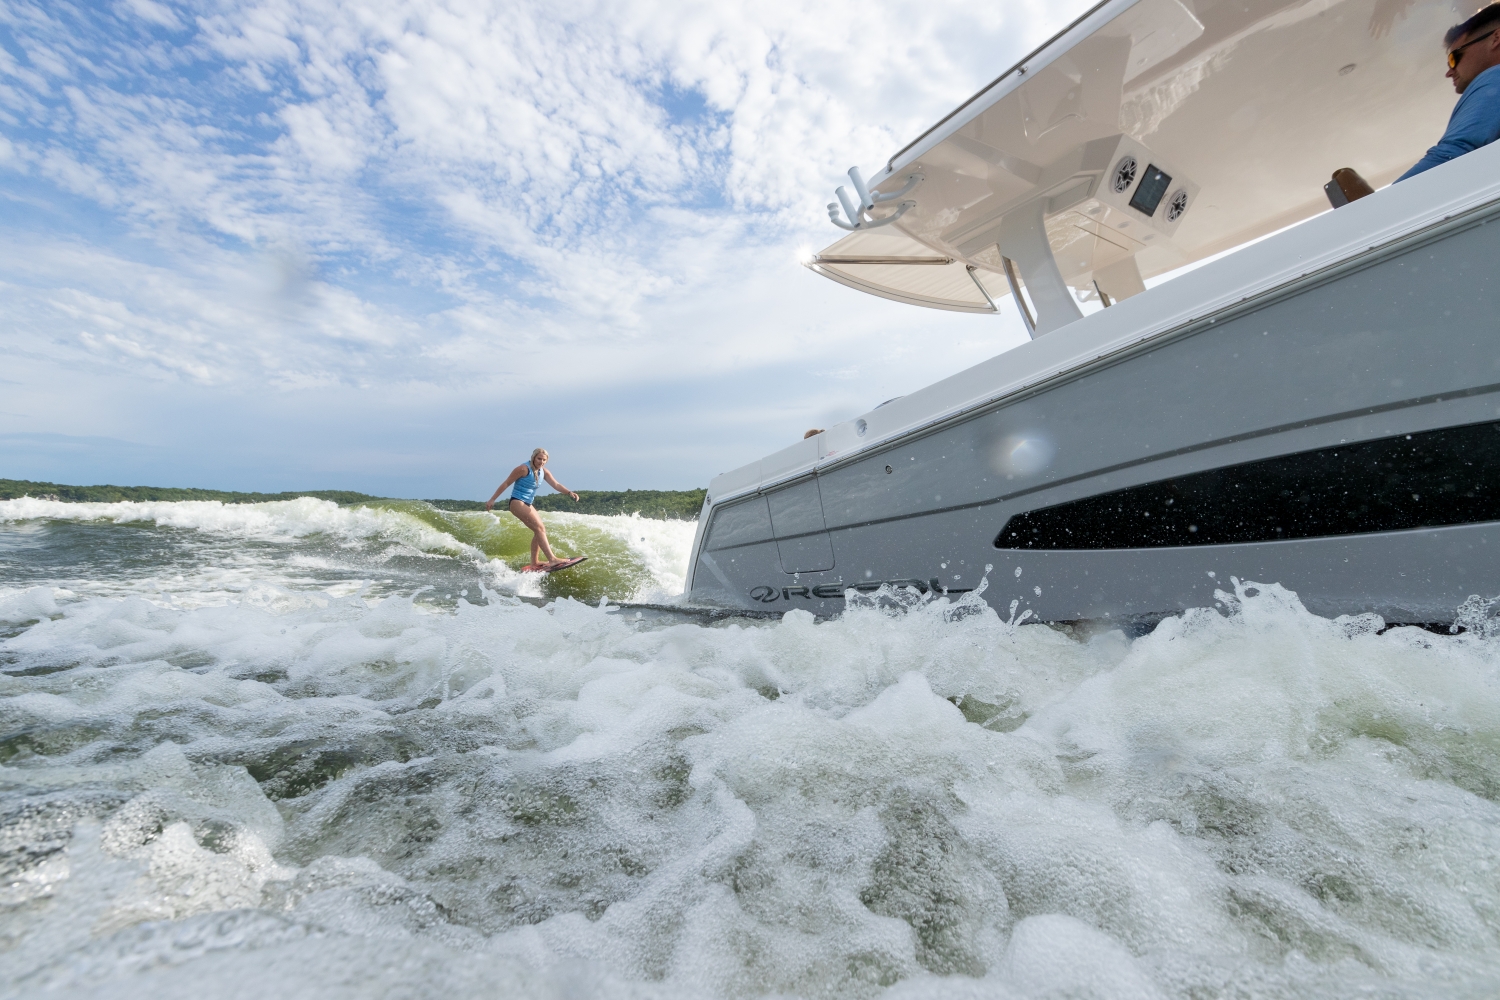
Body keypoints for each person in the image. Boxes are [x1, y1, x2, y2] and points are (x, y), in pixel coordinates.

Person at [1397, 4, 1500, 181]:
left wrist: (1385, 198)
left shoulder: (1494, 78)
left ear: (1496, 38)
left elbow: (1450, 156)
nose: (1449, 72)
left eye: (1454, 58)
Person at [485, 448, 580, 569]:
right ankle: (552, 559)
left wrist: (569, 492)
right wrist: (492, 499)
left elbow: (556, 484)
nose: (541, 462)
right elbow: (506, 483)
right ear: (533, 458)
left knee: (540, 530)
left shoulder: (544, 472)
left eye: (544, 460)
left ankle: (534, 562)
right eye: (539, 459)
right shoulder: (523, 469)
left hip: (528, 503)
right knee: (540, 529)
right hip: (517, 502)